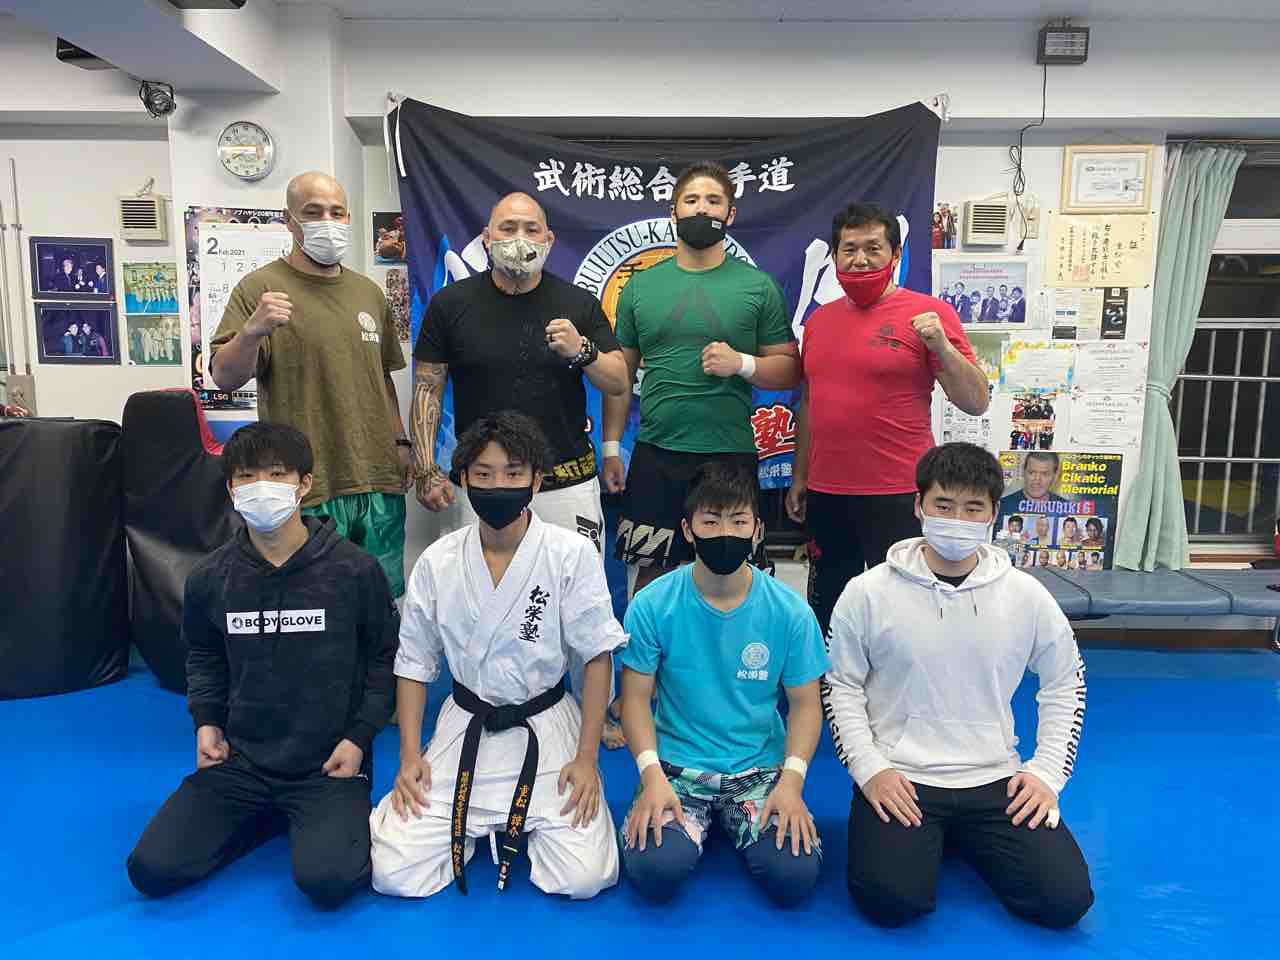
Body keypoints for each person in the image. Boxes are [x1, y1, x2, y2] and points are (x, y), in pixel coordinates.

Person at [126, 423, 398, 907]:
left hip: (329, 765)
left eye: (276, 474)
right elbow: (204, 656)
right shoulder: (211, 577)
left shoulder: (355, 571)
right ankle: (268, 817)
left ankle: (304, 819)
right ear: (231, 489)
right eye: (247, 477)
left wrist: (358, 739)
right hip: (242, 763)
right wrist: (207, 722)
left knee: (328, 881)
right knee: (151, 869)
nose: (261, 487)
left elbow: (384, 660)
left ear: (304, 483)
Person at [824, 442, 1093, 928]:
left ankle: (961, 837)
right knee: (891, 901)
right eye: (943, 505)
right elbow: (841, 685)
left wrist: (1047, 774)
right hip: (901, 778)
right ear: (918, 506)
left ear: (993, 515)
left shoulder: (1026, 596)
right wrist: (870, 770)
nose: (957, 520)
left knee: (1064, 900)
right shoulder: (867, 593)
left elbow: (1065, 682)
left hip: (995, 777)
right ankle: (935, 838)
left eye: (973, 508)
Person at [370, 412, 625, 899]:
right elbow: (414, 664)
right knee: (393, 870)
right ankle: (476, 822)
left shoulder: (569, 554)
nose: (498, 486)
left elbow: (596, 657)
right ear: (463, 479)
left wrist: (586, 757)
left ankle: (516, 818)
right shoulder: (438, 561)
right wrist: (409, 757)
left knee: (585, 876)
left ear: (536, 481)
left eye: (513, 473)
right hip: (467, 723)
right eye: (483, 474)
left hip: (545, 724)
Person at [618, 462, 828, 906]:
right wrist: (650, 775)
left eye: (738, 521)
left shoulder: (790, 612)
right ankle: (679, 817)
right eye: (710, 521)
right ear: (688, 530)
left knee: (794, 873)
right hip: (676, 770)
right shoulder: (652, 604)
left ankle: (736, 821)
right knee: (655, 869)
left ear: (757, 530)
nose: (725, 533)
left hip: (758, 771)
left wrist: (792, 782)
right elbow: (634, 699)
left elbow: (806, 705)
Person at [786, 201, 988, 635]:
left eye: (873, 248)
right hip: (827, 492)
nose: (860, 259)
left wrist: (941, 346)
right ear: (834, 256)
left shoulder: (929, 315)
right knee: (829, 610)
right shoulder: (819, 322)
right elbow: (810, 401)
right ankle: (831, 678)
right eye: (849, 249)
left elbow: (975, 402)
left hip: (898, 492)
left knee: (904, 612)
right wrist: (800, 475)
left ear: (895, 255)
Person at [209, 172, 413, 598]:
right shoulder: (259, 289)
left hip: (376, 477)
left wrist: (400, 443)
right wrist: (251, 332)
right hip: (306, 483)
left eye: (336, 212)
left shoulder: (368, 292)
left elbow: (382, 376)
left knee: (381, 599)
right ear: (290, 220)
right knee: (315, 603)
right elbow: (225, 377)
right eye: (313, 212)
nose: (327, 222)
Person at [602, 162, 800, 595]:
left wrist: (742, 363)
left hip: (729, 451)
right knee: (652, 578)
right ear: (673, 212)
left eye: (713, 200)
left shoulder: (758, 286)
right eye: (691, 200)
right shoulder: (640, 287)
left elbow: (790, 369)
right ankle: (648, 646)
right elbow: (619, 375)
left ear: (730, 214)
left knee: (734, 575)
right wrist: (612, 447)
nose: (701, 208)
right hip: (657, 451)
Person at [411, 191, 629, 553]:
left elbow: (618, 381)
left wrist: (582, 350)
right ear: (487, 237)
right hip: (482, 483)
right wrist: (425, 470)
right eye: (508, 228)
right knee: (479, 585)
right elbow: (426, 389)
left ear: (549, 240)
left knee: (575, 585)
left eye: (531, 229)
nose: (520, 238)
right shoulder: (450, 303)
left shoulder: (578, 303)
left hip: (565, 485)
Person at [996, 452, 1065, 532]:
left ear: (1055, 476)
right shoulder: (1002, 507)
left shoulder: (1066, 508)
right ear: (1023, 471)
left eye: (1044, 474)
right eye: (1032, 472)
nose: (1037, 480)